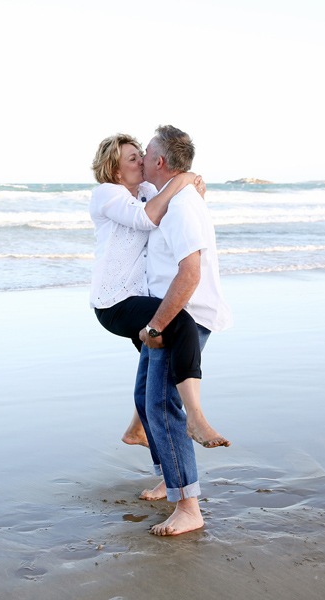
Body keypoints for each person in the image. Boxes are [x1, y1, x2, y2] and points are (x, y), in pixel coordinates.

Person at [89, 134, 229, 449]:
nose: (141, 160)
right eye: (133, 158)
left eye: (141, 154)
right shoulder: (106, 193)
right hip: (114, 302)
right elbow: (146, 216)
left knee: (153, 377)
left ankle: (137, 432)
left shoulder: (148, 191)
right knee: (180, 322)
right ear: (115, 170)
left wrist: (192, 190)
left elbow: (177, 210)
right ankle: (195, 418)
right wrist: (184, 179)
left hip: (142, 297)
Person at [135, 125, 233, 536]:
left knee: (161, 405)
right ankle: (169, 478)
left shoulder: (182, 206)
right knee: (145, 397)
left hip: (183, 317)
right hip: (171, 313)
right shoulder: (172, 197)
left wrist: (157, 325)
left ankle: (188, 506)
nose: (140, 158)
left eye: (145, 153)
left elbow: (189, 274)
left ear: (159, 161)